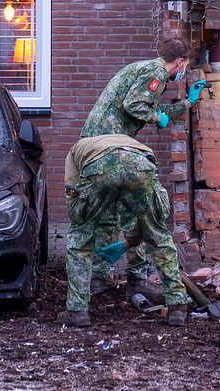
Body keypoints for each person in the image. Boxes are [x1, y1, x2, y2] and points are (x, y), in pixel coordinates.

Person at [80, 38, 206, 297]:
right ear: (180, 62)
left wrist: (186, 104)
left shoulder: (144, 69)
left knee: (106, 210)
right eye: (185, 64)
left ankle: (98, 279)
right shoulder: (156, 72)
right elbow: (136, 106)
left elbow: (151, 106)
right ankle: (137, 278)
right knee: (135, 208)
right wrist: (155, 117)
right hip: (113, 145)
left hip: (95, 145)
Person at [58, 133, 189, 327]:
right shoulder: (136, 145)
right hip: (141, 165)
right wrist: (131, 241)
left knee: (80, 237)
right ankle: (177, 306)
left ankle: (77, 310)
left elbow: (72, 193)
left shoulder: (74, 153)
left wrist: (83, 218)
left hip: (99, 168)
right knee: (158, 234)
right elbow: (150, 219)